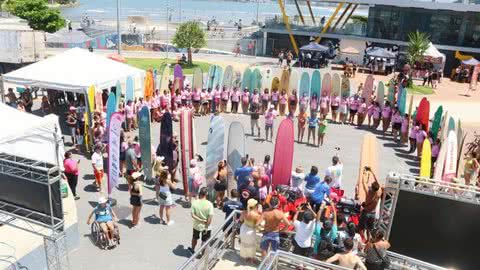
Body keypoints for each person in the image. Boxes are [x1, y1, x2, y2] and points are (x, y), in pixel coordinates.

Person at [189, 187, 214, 254]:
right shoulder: (209, 204)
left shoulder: (195, 202)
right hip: (206, 226)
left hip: (196, 225)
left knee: (194, 238)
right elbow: (210, 217)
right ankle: (202, 253)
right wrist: (206, 226)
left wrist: (200, 220)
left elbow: (192, 215)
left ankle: (192, 249)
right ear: (206, 194)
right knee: (204, 240)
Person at [239, 199, 262, 263]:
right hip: (251, 231)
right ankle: (251, 259)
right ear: (255, 206)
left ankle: (246, 257)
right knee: (252, 245)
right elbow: (257, 225)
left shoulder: (244, 212)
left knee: (244, 244)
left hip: (243, 229)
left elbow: (240, 220)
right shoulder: (257, 215)